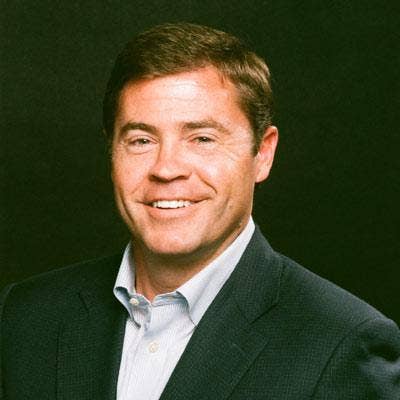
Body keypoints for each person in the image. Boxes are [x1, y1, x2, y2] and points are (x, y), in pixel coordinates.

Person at [1, 22, 399, 400]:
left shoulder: (343, 345)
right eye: (141, 140)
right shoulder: (24, 318)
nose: (166, 168)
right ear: (112, 151)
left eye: (202, 139)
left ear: (262, 153)